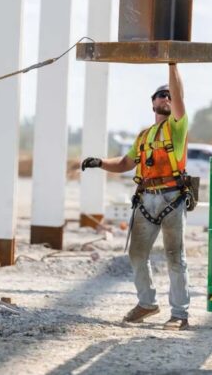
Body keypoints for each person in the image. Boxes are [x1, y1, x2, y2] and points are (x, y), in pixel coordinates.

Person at [81, 64, 191, 331]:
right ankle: (147, 303)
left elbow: (178, 94)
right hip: (146, 199)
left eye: (169, 95)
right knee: (137, 254)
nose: (166, 97)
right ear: (152, 102)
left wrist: (172, 65)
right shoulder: (144, 136)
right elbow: (125, 162)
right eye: (160, 95)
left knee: (175, 257)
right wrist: (100, 162)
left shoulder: (177, 128)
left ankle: (179, 315)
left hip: (171, 198)